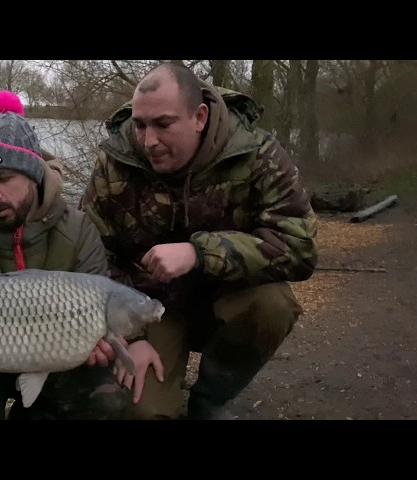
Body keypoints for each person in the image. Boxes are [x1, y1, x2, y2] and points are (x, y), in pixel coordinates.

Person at [79, 62, 318, 420]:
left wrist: (200, 253)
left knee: (273, 305)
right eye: (140, 125)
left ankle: (211, 398)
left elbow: (299, 247)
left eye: (163, 124)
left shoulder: (257, 153)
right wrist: (133, 336)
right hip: (150, 310)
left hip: (227, 300)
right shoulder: (114, 162)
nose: (149, 141)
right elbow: (91, 256)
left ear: (200, 117)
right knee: (142, 411)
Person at [0, 92, 133, 420]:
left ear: (33, 173)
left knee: (107, 399)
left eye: (4, 178)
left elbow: (103, 309)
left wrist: (99, 346)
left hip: (60, 363)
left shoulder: (78, 232)